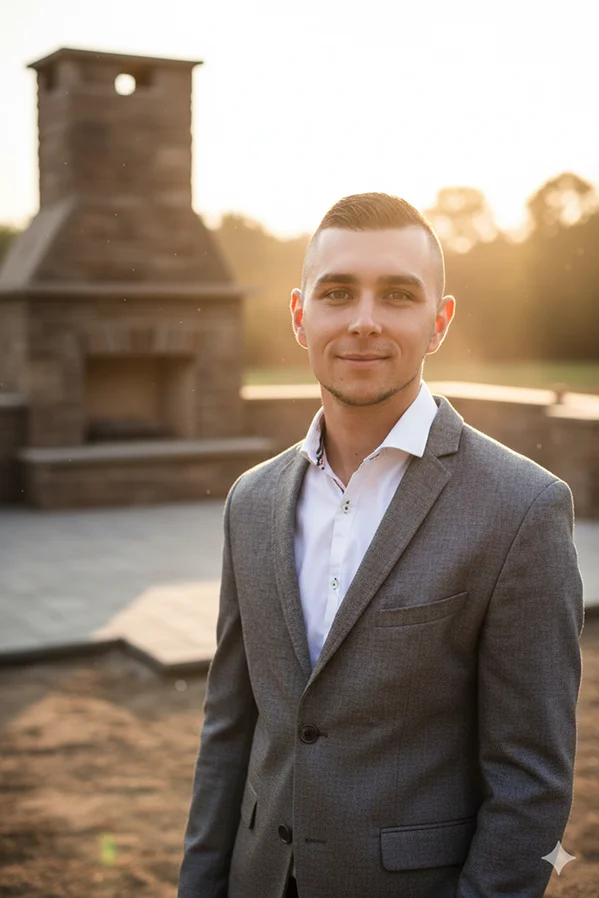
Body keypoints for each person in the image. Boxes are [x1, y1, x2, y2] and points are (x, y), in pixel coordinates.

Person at [178, 192, 584, 898]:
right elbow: (228, 730)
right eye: (337, 293)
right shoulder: (251, 501)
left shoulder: (523, 509)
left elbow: (531, 782)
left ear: (439, 322)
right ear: (300, 316)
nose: (363, 320)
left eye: (397, 294)